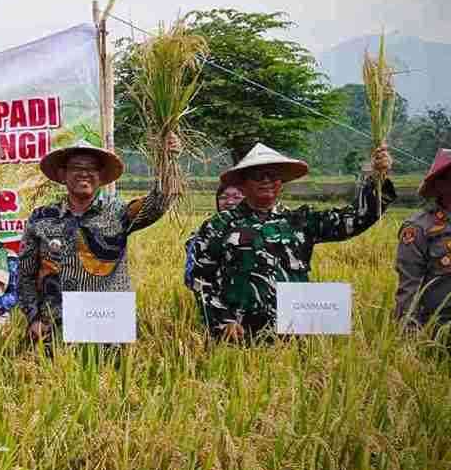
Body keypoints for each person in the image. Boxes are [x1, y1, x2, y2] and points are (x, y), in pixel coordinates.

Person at [188, 142, 394, 341]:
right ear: (243, 183)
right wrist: (222, 320)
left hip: (293, 337)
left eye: (274, 176)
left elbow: (355, 219)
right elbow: (200, 280)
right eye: (258, 175)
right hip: (236, 336)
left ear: (281, 183)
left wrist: (378, 178)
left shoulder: (300, 221)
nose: (267, 181)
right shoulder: (219, 225)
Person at [17, 138, 175, 343]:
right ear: (62, 175)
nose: (84, 173)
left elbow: (158, 204)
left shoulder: (118, 213)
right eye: (76, 167)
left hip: (109, 327)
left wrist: (167, 160)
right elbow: (25, 275)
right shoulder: (41, 218)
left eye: (92, 168)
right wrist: (33, 317)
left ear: (100, 176)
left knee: (113, 374)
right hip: (54, 328)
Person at [394, 148, 451, 332]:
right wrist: (411, 347)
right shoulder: (418, 229)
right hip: (439, 331)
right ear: (439, 184)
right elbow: (409, 290)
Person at [183, 181, 246, 287]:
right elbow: (193, 273)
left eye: (237, 197)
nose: (230, 202)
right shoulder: (205, 231)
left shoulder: (259, 229)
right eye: (223, 197)